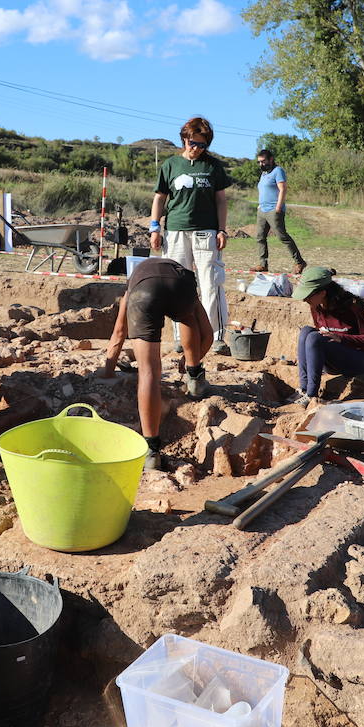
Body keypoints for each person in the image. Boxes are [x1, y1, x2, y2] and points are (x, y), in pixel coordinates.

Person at [97, 258, 212, 469]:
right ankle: (195, 379)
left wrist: (107, 371)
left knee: (148, 372)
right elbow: (208, 335)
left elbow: (119, 333)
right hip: (181, 286)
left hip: (146, 291)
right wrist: (189, 363)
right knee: (187, 318)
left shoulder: (134, 285)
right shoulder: (182, 278)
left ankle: (151, 452)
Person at [149, 116, 230, 354]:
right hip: (175, 232)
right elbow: (160, 198)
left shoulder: (213, 167)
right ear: (184, 139)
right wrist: (155, 227)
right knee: (177, 285)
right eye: (192, 143)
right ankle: (180, 336)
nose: (196, 149)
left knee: (210, 283)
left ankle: (215, 337)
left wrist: (222, 229)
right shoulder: (171, 165)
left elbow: (221, 201)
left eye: (202, 145)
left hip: (206, 232)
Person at [292, 266, 364, 406]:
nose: (304, 299)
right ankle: (304, 389)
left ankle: (311, 395)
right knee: (306, 331)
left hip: (359, 360)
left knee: (314, 338)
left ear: (323, 293)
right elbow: (320, 333)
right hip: (334, 361)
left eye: (308, 295)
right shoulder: (316, 306)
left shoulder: (353, 306)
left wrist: (341, 338)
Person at [252, 148, 306, 275]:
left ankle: (299, 262)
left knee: (282, 236)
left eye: (263, 161)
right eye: (259, 162)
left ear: (271, 159)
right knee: (260, 237)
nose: (261, 164)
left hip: (274, 210)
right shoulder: (264, 174)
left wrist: (278, 207)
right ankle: (263, 264)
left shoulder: (278, 171)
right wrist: (260, 206)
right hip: (262, 210)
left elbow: (283, 189)